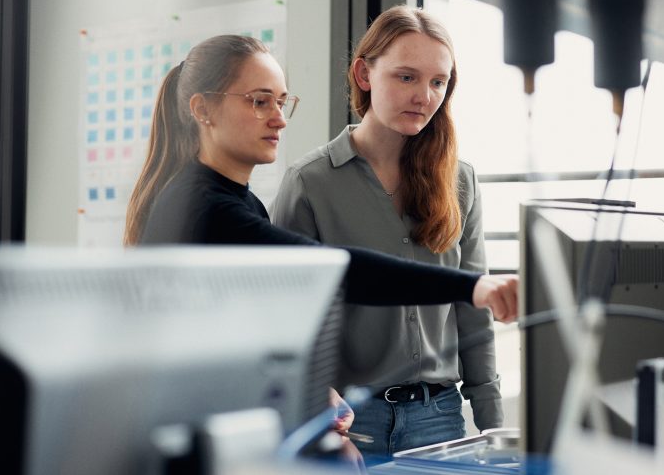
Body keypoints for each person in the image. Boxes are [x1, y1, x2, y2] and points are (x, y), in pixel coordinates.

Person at [122, 34, 517, 457]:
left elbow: (265, 330)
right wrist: (472, 287)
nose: (279, 119)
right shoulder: (203, 209)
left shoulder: (239, 201)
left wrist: (319, 406)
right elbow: (331, 271)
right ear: (201, 109)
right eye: (259, 101)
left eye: (281, 101)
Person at [271, 5, 502, 461]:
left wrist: (497, 427)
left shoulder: (461, 180)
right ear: (363, 74)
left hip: (441, 416)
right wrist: (324, 422)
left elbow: (474, 310)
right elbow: (287, 317)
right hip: (351, 423)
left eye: (439, 82)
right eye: (406, 77)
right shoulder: (311, 182)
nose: (424, 96)